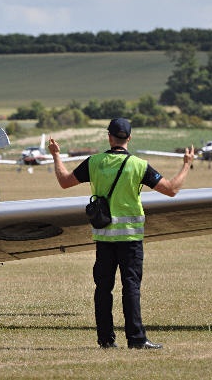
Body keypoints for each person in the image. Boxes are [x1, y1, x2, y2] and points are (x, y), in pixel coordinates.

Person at [48, 118, 194, 350]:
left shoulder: (94, 162)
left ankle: (106, 340)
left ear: (109, 137)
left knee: (103, 288)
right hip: (130, 239)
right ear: (129, 138)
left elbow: (65, 182)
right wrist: (186, 165)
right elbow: (171, 189)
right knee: (131, 287)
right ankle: (136, 339)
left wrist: (56, 155)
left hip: (104, 238)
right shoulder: (138, 165)